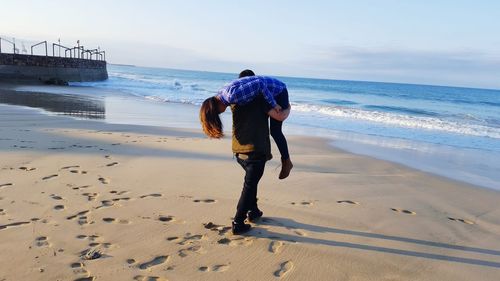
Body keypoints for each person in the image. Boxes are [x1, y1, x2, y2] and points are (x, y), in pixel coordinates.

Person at [200, 70, 293, 179]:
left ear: (215, 106)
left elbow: (259, 84)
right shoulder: (222, 93)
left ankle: (286, 161)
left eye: (218, 112)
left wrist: (274, 104)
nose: (221, 112)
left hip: (279, 91)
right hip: (269, 88)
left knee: (275, 131)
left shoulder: (232, 97)